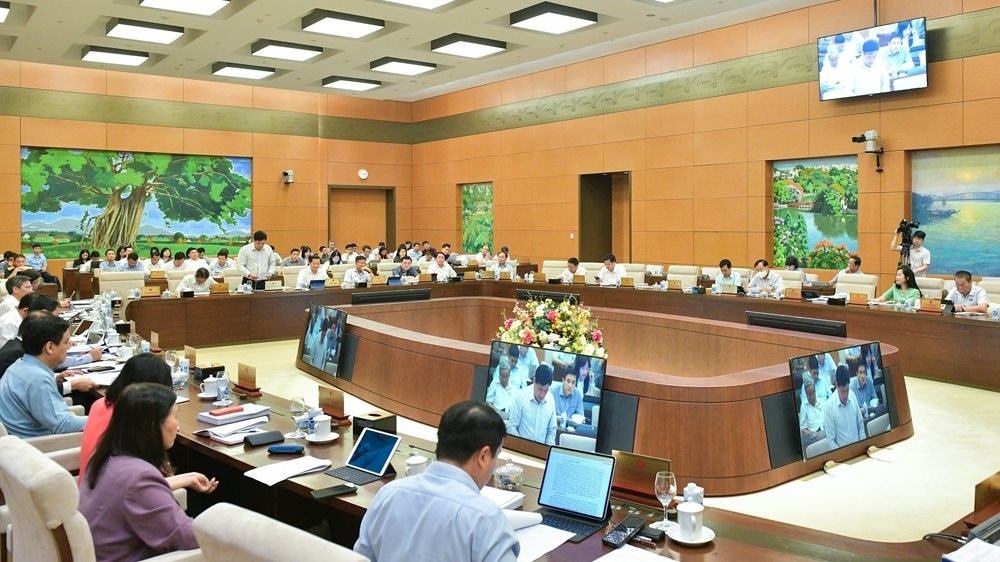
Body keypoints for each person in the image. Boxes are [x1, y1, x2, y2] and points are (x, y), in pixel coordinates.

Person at [354, 400, 518, 561]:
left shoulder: (388, 494)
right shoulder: (486, 519)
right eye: (496, 455)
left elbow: (359, 558)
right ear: (483, 456)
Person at [80, 383, 214, 562]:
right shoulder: (139, 478)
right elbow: (188, 537)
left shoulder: (104, 455)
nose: (178, 427)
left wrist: (186, 478)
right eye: (175, 417)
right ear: (152, 425)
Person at [78, 353, 218, 493]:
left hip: (88, 492)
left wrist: (189, 477)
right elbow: (136, 485)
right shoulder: (132, 422)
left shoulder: (99, 404)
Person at [0, 312, 87, 437]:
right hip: (40, 447)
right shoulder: (38, 378)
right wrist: (106, 419)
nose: (68, 346)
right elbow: (63, 425)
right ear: (50, 347)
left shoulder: (20, 364)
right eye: (66, 341)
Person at [505, 364, 556, 445]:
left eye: (545, 390)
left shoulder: (551, 399)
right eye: (540, 389)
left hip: (542, 451)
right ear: (534, 381)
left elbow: (551, 431)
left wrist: (547, 449)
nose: (542, 394)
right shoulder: (520, 396)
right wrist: (521, 446)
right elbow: (512, 427)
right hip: (520, 448)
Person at [824, 365, 866, 451]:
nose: (846, 395)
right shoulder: (829, 407)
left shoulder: (852, 395)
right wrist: (845, 454)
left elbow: (860, 425)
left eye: (847, 390)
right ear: (836, 385)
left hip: (859, 449)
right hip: (843, 455)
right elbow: (830, 442)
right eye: (843, 391)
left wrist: (862, 445)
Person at [798, 377, 825, 447]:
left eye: (813, 393)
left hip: (825, 435)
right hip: (814, 439)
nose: (811, 397)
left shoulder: (822, 402)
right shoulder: (804, 406)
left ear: (815, 391)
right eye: (808, 394)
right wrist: (812, 433)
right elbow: (803, 429)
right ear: (805, 393)